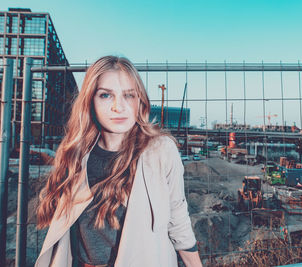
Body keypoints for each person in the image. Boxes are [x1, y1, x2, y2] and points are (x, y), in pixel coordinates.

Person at [35, 56, 202, 267]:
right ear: (90, 101)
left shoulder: (161, 151)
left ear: (140, 100)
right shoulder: (77, 154)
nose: (118, 106)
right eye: (106, 95)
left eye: (129, 95)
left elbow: (178, 219)